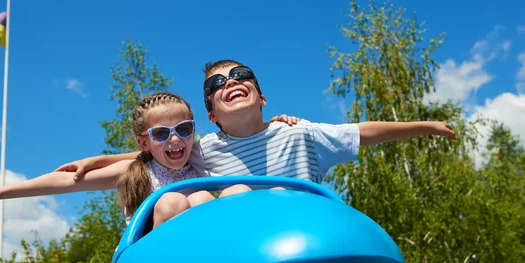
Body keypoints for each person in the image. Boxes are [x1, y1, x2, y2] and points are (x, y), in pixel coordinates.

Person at [54, 60, 457, 185]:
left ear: (261, 96)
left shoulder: (297, 132)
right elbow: (152, 152)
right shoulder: (203, 149)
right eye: (217, 83)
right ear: (210, 116)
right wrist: (95, 159)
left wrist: (424, 125)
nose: (231, 82)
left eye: (241, 75)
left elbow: (363, 132)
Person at [0, 92, 301, 230]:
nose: (176, 140)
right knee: (176, 199)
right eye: (163, 134)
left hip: (208, 245)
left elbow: (241, 136)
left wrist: (273, 124)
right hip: (152, 256)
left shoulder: (198, 154)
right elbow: (64, 181)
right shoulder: (138, 168)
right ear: (144, 142)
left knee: (237, 188)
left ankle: (239, 261)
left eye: (183, 129)